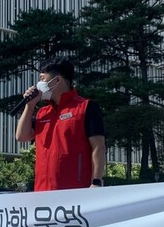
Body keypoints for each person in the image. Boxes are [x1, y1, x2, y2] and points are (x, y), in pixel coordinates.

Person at [15, 58, 106, 191]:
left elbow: (98, 146)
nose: (38, 84)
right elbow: (21, 136)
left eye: (42, 79)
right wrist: (30, 105)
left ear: (57, 80)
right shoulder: (43, 113)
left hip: (76, 191)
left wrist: (96, 182)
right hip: (42, 191)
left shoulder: (85, 107)